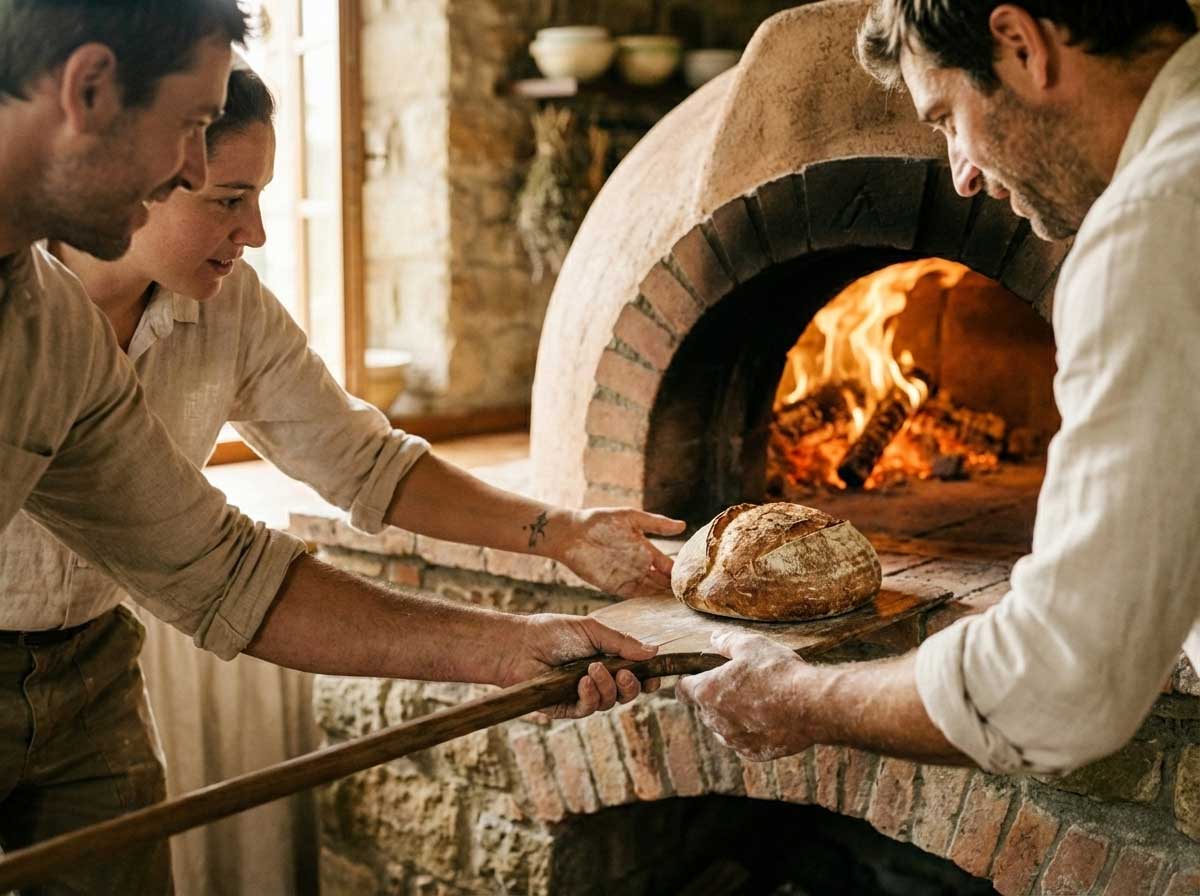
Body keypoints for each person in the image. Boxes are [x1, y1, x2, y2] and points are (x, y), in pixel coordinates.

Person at [0, 4, 672, 891]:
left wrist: (511, 644)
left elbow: (220, 570)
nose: (194, 170)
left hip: (90, 667)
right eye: (194, 132)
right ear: (88, 89)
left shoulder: (52, 332)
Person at [677, 0, 1200, 777]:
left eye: (948, 116)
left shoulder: (1155, 224)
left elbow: (1059, 683)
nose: (959, 175)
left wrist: (797, 697)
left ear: (1023, 43)